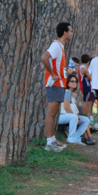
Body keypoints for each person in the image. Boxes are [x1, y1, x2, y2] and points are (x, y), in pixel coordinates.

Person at [41, 22, 73, 152]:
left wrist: (66, 71)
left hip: (59, 84)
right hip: (54, 84)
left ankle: (53, 140)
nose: (72, 33)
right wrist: (53, 74)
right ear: (64, 32)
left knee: (54, 113)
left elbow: (57, 65)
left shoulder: (60, 46)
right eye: (70, 31)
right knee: (52, 112)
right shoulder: (56, 45)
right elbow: (44, 58)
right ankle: (49, 143)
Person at [58, 74, 90, 146]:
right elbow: (66, 107)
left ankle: (76, 137)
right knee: (74, 117)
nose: (74, 83)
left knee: (86, 120)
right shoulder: (67, 92)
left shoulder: (71, 94)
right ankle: (71, 138)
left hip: (68, 115)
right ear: (67, 83)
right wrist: (76, 116)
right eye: (72, 81)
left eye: (76, 81)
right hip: (62, 115)